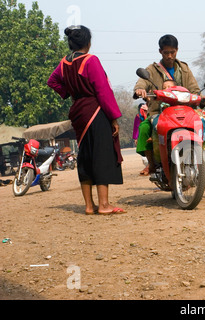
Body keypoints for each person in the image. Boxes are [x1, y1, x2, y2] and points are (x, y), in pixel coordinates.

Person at [47, 25, 126, 215]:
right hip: (95, 111)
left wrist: (68, 92)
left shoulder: (64, 63)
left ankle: (89, 206)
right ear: (88, 43)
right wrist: (114, 118)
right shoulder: (91, 60)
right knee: (101, 156)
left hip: (79, 113)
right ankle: (104, 205)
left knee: (85, 156)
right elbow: (103, 91)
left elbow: (52, 81)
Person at [134, 35, 205, 199]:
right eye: (166, 52)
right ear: (160, 51)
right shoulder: (152, 69)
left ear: (177, 51)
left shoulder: (184, 68)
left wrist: (201, 99)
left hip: (185, 110)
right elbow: (141, 83)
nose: (169, 56)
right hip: (159, 112)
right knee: (145, 127)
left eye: (172, 52)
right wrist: (140, 90)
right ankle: (152, 163)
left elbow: (195, 91)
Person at [133, 103, 150, 176]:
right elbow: (136, 127)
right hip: (142, 136)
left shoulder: (151, 115)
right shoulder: (138, 117)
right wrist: (135, 138)